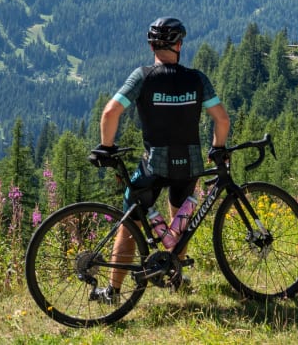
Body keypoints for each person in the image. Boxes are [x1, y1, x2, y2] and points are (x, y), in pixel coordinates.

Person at [88, 16, 230, 303]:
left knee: (130, 222)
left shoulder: (143, 77)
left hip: (154, 165)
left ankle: (113, 291)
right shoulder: (197, 79)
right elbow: (222, 120)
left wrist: (107, 147)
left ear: (152, 45)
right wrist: (218, 148)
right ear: (179, 45)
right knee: (180, 219)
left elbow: (110, 112)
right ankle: (175, 275)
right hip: (189, 164)